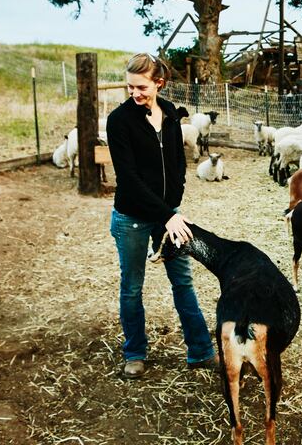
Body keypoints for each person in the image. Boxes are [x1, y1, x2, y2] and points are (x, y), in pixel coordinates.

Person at [105, 53, 216, 379]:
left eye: (141, 87)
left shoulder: (169, 113)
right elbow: (129, 178)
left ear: (159, 83)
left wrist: (173, 206)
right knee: (132, 287)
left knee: (182, 281)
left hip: (169, 216)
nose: (135, 93)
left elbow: (179, 164)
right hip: (132, 219)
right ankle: (135, 353)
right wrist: (168, 215)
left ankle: (200, 351)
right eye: (130, 87)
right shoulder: (119, 120)